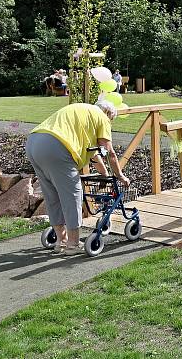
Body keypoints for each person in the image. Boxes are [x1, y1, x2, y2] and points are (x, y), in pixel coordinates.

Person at [25, 100, 130, 256]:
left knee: (52, 195)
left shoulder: (83, 112)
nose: (110, 124)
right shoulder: (102, 118)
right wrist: (120, 175)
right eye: (111, 120)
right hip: (56, 146)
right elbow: (109, 152)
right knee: (73, 194)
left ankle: (61, 240)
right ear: (108, 114)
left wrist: (105, 175)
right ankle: (73, 244)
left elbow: (95, 155)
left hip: (34, 142)